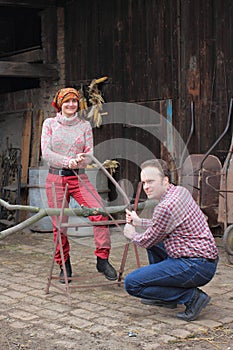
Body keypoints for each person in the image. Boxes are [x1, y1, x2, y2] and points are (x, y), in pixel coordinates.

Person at [123, 159, 219, 321]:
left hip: (194, 265)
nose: (146, 187)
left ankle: (191, 297)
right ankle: (166, 297)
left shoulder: (165, 207)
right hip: (206, 261)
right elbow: (161, 227)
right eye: (144, 182)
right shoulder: (180, 191)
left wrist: (132, 233)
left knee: (132, 283)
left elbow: (147, 240)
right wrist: (139, 222)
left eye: (151, 181)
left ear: (165, 179)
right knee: (154, 242)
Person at [41, 87, 117, 282]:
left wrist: (82, 159)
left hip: (79, 178)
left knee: (99, 213)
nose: (71, 104)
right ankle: (64, 264)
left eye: (74, 101)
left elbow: (89, 152)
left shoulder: (84, 126)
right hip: (56, 178)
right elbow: (46, 153)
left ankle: (102, 259)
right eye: (67, 101)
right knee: (60, 224)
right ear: (59, 104)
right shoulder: (49, 124)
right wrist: (68, 162)